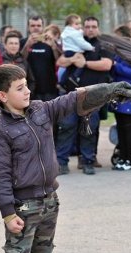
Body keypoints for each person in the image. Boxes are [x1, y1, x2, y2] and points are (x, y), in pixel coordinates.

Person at [0, 64, 131, 253]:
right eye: (19, 88)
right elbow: (0, 175)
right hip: (23, 208)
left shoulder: (40, 109)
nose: (27, 91)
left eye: (26, 85)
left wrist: (108, 90)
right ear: (2, 95)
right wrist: (8, 214)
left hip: (50, 201)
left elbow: (72, 99)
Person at [56, 16, 114, 175]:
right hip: (72, 94)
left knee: (88, 128)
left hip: (92, 95)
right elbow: (61, 61)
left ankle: (88, 161)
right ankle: (61, 162)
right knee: (66, 127)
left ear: (98, 28)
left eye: (93, 26)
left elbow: (107, 64)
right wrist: (73, 59)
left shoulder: (104, 44)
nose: (90, 29)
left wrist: (85, 64)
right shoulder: (75, 40)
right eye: (87, 26)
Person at [110, 25, 131, 171]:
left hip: (130, 95)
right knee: (121, 128)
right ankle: (123, 158)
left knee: (129, 128)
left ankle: (130, 160)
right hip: (119, 94)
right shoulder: (120, 52)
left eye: (117, 37)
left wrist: (115, 66)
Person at [20, 16, 60, 101]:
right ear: (28, 27)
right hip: (28, 89)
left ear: (43, 27)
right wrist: (28, 45)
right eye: (33, 25)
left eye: (38, 25)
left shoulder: (50, 42)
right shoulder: (23, 42)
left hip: (49, 89)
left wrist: (53, 47)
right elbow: (20, 61)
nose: (36, 28)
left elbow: (59, 62)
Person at [59, 14, 94, 87]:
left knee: (68, 69)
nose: (79, 26)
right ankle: (74, 77)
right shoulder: (74, 33)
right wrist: (91, 47)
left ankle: (62, 81)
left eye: (80, 23)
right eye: (77, 24)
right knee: (81, 64)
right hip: (74, 52)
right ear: (70, 25)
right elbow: (81, 43)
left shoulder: (66, 32)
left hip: (67, 52)